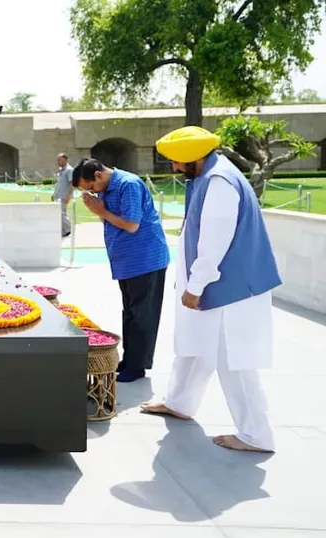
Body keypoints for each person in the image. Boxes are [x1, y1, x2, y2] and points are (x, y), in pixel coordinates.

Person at [139, 125, 281, 453]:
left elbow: (214, 241)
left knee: (234, 359)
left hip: (233, 290)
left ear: (194, 158)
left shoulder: (219, 182)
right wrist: (191, 283)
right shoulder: (207, 175)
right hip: (210, 284)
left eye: (177, 161)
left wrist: (196, 285)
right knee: (193, 345)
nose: (174, 167)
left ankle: (256, 434)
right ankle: (179, 402)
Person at [72, 157, 171, 383]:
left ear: (98, 175)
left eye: (91, 187)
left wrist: (102, 211)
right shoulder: (106, 189)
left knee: (143, 314)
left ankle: (138, 366)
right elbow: (110, 221)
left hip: (145, 259)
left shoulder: (128, 185)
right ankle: (130, 359)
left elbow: (131, 224)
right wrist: (99, 210)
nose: (93, 192)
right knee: (130, 312)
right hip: (126, 261)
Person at [52, 153, 74, 237]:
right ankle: (63, 230)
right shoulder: (60, 170)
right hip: (58, 195)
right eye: (57, 160)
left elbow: (71, 183)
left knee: (61, 213)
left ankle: (68, 229)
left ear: (65, 160)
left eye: (59, 160)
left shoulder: (69, 170)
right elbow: (59, 184)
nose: (58, 162)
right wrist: (54, 194)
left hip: (64, 196)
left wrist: (68, 196)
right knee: (58, 213)